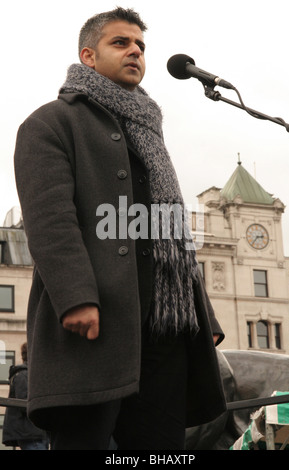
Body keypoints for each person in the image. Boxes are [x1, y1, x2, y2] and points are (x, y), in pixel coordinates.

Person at [14, 7, 226, 450]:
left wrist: (202, 314)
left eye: (141, 46)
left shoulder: (150, 129)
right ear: (87, 56)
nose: (135, 52)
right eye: (121, 43)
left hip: (165, 331)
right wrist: (75, 297)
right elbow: (50, 220)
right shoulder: (50, 123)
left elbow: (172, 232)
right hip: (95, 327)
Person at [2, 343, 49, 450]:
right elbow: (24, 402)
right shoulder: (24, 374)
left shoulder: (27, 374)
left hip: (35, 433)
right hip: (31, 433)